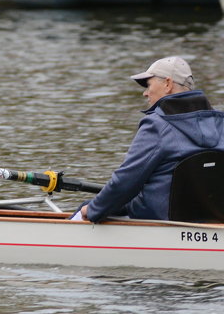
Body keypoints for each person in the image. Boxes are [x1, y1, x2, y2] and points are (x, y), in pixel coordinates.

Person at [71, 56, 224, 222]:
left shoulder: (157, 124)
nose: (145, 93)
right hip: (213, 216)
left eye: (148, 85)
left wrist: (93, 209)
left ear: (167, 84)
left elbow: (126, 181)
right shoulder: (220, 124)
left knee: (88, 208)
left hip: (161, 217)